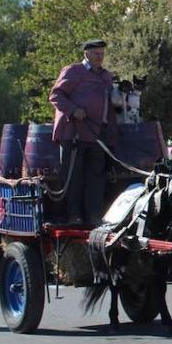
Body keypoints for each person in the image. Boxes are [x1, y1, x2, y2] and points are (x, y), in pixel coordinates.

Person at [49, 39, 115, 224]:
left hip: (96, 134)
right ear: (86, 53)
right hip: (73, 134)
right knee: (74, 176)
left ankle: (94, 216)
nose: (100, 57)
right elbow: (55, 95)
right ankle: (74, 216)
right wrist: (73, 110)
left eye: (102, 54)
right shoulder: (73, 71)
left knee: (96, 177)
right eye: (96, 53)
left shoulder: (106, 76)